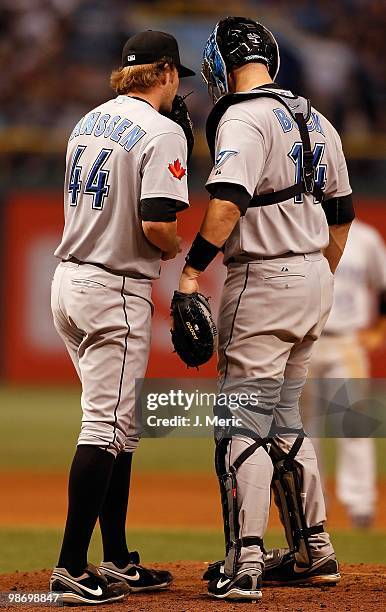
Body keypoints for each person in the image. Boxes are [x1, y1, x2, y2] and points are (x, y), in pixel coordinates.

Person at [178, 16, 354, 602]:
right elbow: (343, 215)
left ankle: (243, 561)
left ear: (224, 62)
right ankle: (314, 550)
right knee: (285, 419)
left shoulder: (242, 116)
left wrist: (190, 271)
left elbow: (227, 202)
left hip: (263, 277)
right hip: (314, 277)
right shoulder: (316, 117)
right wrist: (315, 275)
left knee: (241, 424)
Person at [50, 30, 194, 605]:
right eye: (176, 74)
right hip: (115, 288)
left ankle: (115, 560)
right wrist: (181, 249)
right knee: (105, 429)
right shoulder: (162, 132)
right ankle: (67, 570)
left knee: (119, 428)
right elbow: (158, 224)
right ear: (164, 73)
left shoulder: (87, 121)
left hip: (67, 284)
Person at [308, 219, 386, 527]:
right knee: (303, 427)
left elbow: (382, 288)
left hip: (345, 341)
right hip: (305, 341)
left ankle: (360, 502)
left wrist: (379, 329)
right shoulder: (303, 227)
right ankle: (312, 505)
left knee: (353, 424)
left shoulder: (366, 237)